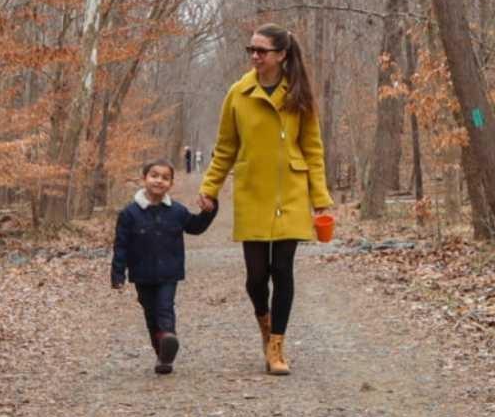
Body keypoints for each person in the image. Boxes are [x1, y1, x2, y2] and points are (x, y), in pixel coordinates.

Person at [198, 24, 331, 376]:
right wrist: (210, 187)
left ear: (282, 55)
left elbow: (313, 149)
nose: (255, 56)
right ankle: (264, 323)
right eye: (251, 50)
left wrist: (320, 198)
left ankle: (277, 346)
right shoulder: (238, 94)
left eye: (262, 51)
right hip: (253, 192)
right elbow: (225, 147)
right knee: (256, 277)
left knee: (282, 271)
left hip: (291, 191)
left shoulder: (299, 94)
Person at [111, 159, 216, 374]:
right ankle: (162, 354)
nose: (159, 181)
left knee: (164, 307)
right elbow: (121, 245)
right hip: (141, 273)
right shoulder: (129, 214)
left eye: (165, 178)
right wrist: (118, 274)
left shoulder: (176, 211)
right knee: (151, 314)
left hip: (169, 271)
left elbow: (195, 227)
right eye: (154, 176)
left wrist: (209, 212)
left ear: (171, 184)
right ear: (144, 179)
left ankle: (169, 336)